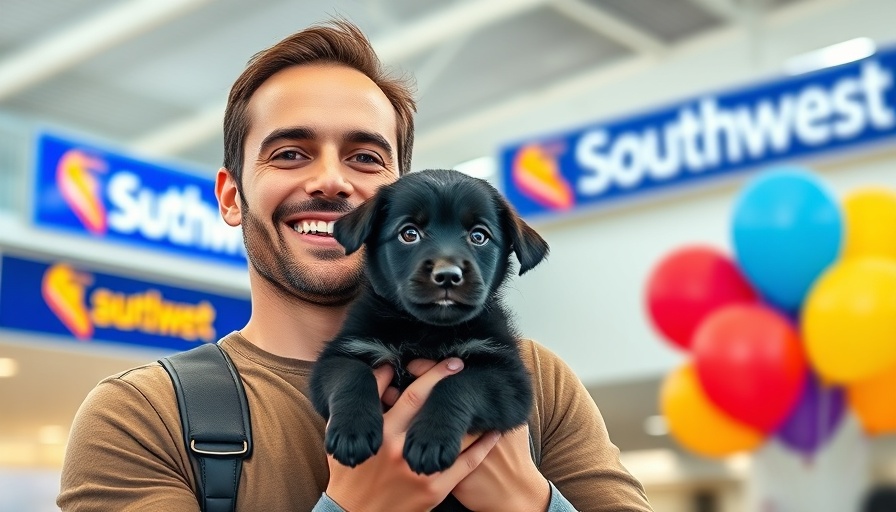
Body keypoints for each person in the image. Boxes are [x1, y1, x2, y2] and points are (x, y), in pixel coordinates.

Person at [57, 19, 652, 512]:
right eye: (290, 153)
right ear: (232, 196)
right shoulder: (143, 417)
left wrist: (530, 500)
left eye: (365, 157)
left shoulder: (537, 380)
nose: (332, 181)